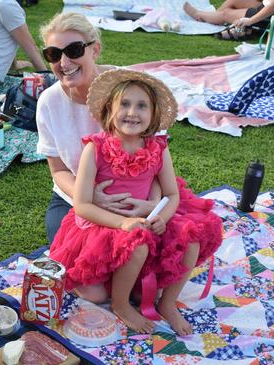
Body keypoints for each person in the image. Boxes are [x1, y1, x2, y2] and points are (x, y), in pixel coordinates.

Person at [48, 69, 223, 336]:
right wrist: (124, 222)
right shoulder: (95, 148)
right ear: (110, 110)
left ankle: (166, 303)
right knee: (99, 289)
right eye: (125, 104)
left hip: (146, 217)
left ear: (153, 115)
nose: (132, 112)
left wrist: (161, 217)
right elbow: (82, 204)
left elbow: (172, 194)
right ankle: (120, 303)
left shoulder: (158, 148)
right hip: (103, 224)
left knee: (192, 237)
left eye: (142, 106)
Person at [36, 12, 160, 244]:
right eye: (53, 54)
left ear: (95, 49)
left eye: (74, 50)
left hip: (136, 194)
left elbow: (155, 158)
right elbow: (59, 170)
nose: (63, 63)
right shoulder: (49, 102)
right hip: (74, 198)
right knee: (72, 260)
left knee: (149, 255)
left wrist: (153, 203)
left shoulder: (132, 91)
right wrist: (90, 197)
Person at [183, 0, 274, 40]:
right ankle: (212, 17)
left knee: (226, 14)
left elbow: (273, 7)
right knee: (233, 1)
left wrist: (249, 21)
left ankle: (199, 15)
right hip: (265, 6)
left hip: (271, 16)